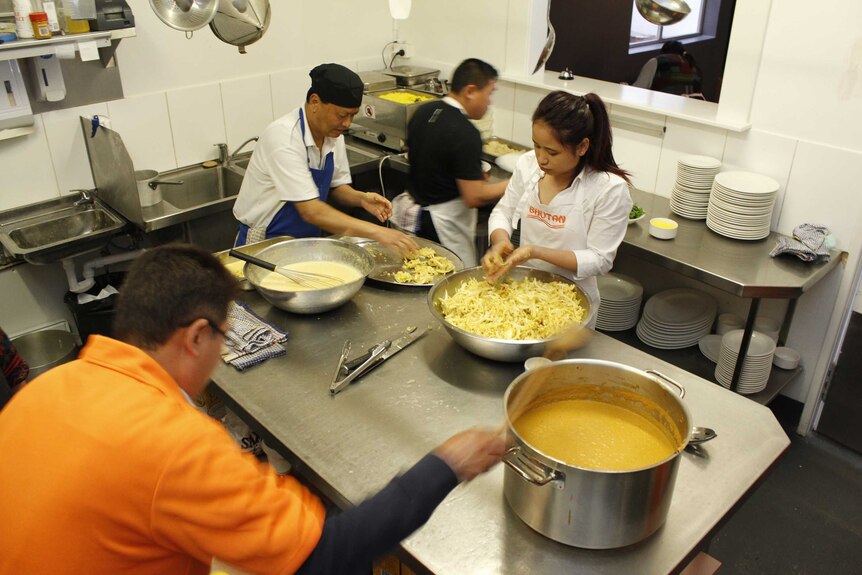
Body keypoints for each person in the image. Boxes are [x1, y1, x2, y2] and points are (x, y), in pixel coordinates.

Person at [0, 244, 506, 575]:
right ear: (197, 335)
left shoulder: (49, 386)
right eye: (222, 336)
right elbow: (323, 556)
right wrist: (447, 465)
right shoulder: (173, 445)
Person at [481, 91, 633, 326]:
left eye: (552, 152)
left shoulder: (609, 189)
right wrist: (500, 241)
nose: (541, 158)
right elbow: (504, 211)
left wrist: (535, 251)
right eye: (536, 145)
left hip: (572, 305)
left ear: (582, 146)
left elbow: (600, 259)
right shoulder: (528, 165)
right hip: (524, 294)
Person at [233, 63, 418, 254]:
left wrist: (361, 199)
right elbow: (311, 211)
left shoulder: (332, 134)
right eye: (341, 115)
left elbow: (336, 187)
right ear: (314, 102)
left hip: (306, 240)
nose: (347, 123)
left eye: (352, 115)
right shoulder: (283, 137)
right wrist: (379, 233)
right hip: (267, 242)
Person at [392, 58, 509, 267]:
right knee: (450, 285)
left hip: (412, 217)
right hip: (441, 226)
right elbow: (474, 196)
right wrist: (515, 183)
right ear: (471, 91)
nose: (489, 102)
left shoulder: (423, 112)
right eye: (489, 94)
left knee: (416, 274)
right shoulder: (466, 132)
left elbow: (428, 159)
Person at [633, 40, 703, 97]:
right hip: (687, 110)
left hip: (661, 108)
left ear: (662, 52)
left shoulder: (657, 61)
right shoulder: (693, 66)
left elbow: (636, 90)